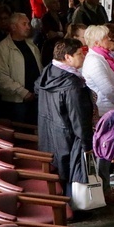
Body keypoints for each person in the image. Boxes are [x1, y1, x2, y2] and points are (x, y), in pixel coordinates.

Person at [34, 38, 92, 196]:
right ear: (68, 57)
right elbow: (78, 118)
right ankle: (72, 208)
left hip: (51, 131)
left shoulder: (49, 71)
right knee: (71, 174)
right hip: (69, 137)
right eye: (80, 54)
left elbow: (37, 88)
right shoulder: (72, 84)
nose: (83, 57)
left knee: (61, 172)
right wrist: (87, 144)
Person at [81, 25, 114, 199]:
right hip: (104, 111)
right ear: (98, 41)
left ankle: (106, 188)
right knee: (104, 151)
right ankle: (103, 191)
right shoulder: (94, 60)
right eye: (107, 37)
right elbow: (107, 89)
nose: (110, 39)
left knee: (107, 152)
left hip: (110, 108)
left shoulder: (104, 57)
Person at [0, 12, 42, 123]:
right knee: (19, 131)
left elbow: (38, 68)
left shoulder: (31, 45)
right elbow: (1, 77)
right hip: (16, 101)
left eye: (28, 24)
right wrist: (23, 92)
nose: (28, 27)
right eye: (24, 24)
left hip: (35, 97)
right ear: (14, 27)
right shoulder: (4, 48)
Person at [37, 0, 66, 65]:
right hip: (50, 49)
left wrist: (58, 33)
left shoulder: (61, 16)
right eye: (54, 2)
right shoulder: (45, 18)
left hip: (62, 47)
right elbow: (50, 35)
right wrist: (61, 33)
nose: (57, 4)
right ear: (48, 5)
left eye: (58, 2)